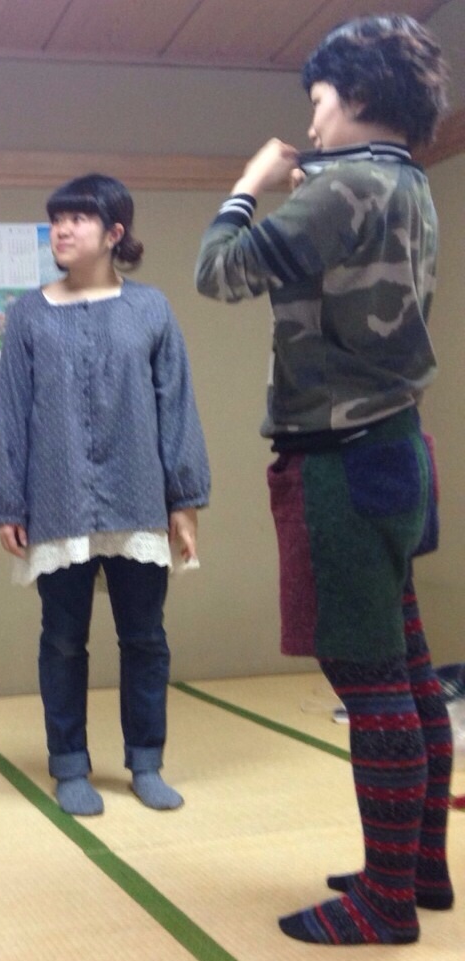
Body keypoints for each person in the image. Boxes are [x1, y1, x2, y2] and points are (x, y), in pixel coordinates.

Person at [195, 15, 452, 946]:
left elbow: (217, 271)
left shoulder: (341, 187)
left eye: (318, 100)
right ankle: (419, 869)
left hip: (343, 464)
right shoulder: (408, 184)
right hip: (398, 450)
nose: (310, 119)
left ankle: (383, 903)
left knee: (370, 681)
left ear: (359, 96)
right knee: (409, 669)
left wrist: (249, 185)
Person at [0, 173, 210, 817]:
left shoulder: (151, 309)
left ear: (114, 233)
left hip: (139, 497)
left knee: (145, 637)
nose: (61, 229)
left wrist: (184, 500)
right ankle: (69, 766)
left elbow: (176, 406)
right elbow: (12, 412)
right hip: (56, 500)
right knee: (62, 639)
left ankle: (146, 762)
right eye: (56, 218)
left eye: (77, 218)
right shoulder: (28, 314)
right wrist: (7, 502)